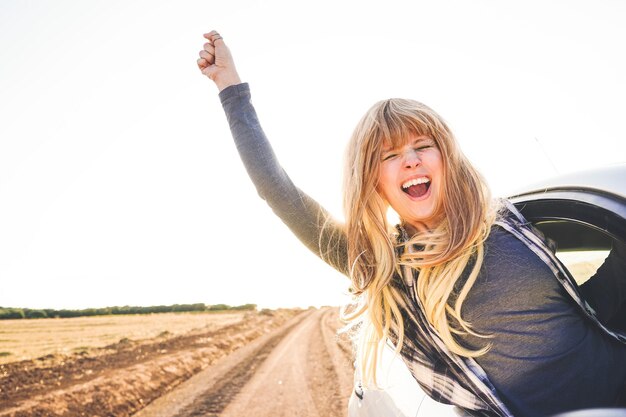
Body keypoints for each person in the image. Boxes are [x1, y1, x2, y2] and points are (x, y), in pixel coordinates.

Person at [197, 30, 626, 417]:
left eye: (423, 144)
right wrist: (231, 89)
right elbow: (279, 192)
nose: (411, 159)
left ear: (446, 159)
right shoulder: (382, 264)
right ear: (374, 181)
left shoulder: (512, 222)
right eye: (389, 155)